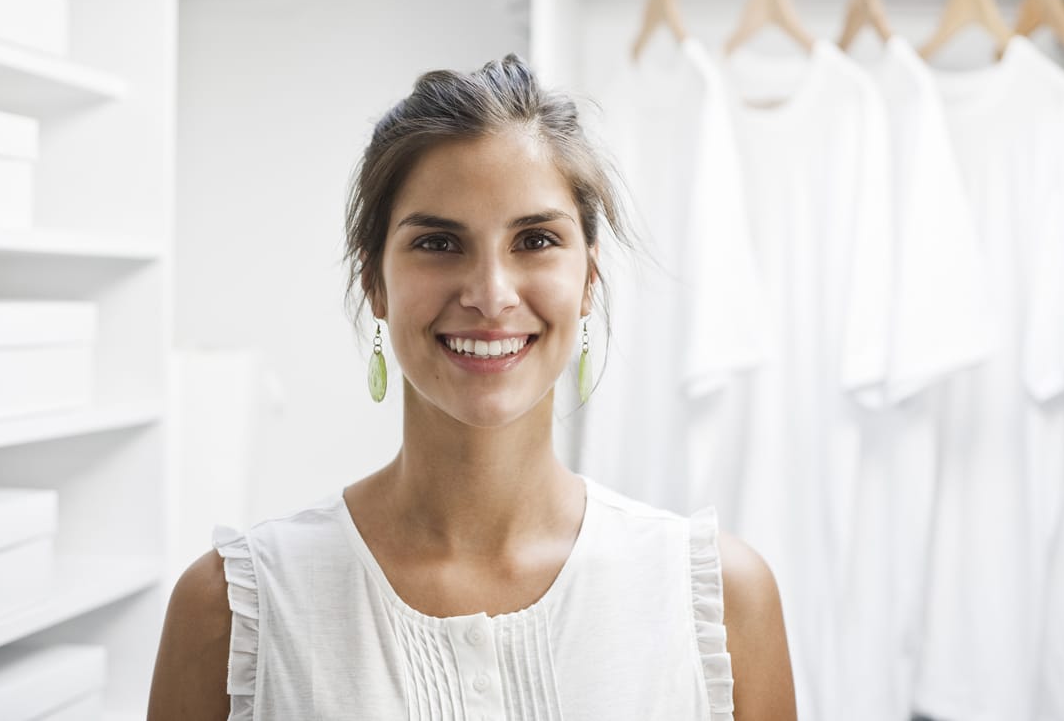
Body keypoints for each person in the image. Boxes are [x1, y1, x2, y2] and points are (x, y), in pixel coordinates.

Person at [147, 55, 796, 720]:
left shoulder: (716, 601)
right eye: (437, 243)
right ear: (374, 280)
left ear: (589, 279)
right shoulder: (231, 608)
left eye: (536, 239)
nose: (490, 295)